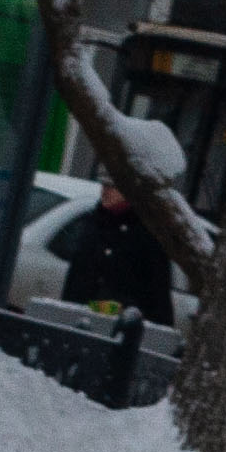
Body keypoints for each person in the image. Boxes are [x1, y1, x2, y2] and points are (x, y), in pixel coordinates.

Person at [55, 117, 186, 326]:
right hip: (81, 325)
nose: (105, 190)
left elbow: (156, 295)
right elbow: (76, 279)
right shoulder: (93, 223)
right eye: (103, 184)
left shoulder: (146, 234)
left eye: (112, 186)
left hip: (122, 332)